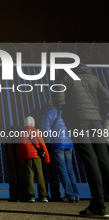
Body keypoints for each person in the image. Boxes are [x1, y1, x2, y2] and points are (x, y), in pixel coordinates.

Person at [52, 62, 109, 217]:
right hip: (96, 120)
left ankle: (98, 205)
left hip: (77, 120)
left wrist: (69, 113)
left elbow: (58, 101)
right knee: (104, 160)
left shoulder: (63, 78)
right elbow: (106, 99)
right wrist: (98, 113)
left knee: (90, 161)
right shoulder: (93, 78)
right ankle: (99, 204)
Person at [42, 100, 79, 203]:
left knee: (62, 169)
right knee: (70, 169)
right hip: (69, 143)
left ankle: (69, 194)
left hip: (58, 143)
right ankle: (76, 195)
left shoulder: (47, 114)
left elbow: (46, 130)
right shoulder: (65, 112)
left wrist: (50, 143)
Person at [19, 116, 50, 203]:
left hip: (27, 157)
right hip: (37, 157)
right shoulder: (37, 131)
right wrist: (47, 158)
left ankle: (31, 196)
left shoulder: (22, 133)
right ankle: (43, 196)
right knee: (40, 176)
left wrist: (22, 159)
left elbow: (20, 148)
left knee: (30, 176)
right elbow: (42, 145)